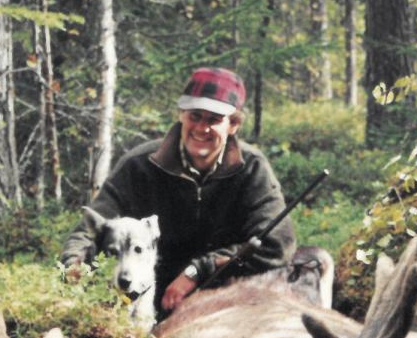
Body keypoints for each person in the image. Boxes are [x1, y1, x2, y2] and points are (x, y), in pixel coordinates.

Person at [61, 67, 296, 314]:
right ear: (181, 115)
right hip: (144, 295)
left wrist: (198, 270)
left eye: (214, 119)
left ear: (233, 124)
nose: (201, 128)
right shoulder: (139, 165)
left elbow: (275, 244)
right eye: (195, 116)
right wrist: (73, 265)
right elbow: (90, 231)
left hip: (223, 294)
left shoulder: (252, 169)